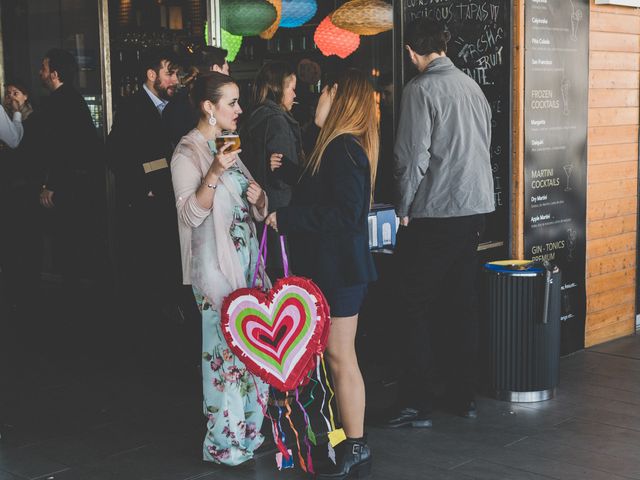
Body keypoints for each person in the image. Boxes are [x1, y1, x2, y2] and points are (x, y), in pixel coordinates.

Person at [265, 69, 378, 480]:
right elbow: (325, 193)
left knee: (340, 356)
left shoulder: (344, 149)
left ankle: (357, 443)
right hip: (332, 268)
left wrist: (288, 218)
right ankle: (348, 440)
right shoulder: (333, 146)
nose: (319, 98)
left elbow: (345, 214)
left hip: (341, 270)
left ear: (342, 100)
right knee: (333, 356)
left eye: (327, 92)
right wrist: (290, 173)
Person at [387, 18, 494, 427]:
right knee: (461, 303)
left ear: (412, 52)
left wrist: (402, 208)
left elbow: (410, 158)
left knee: (412, 304)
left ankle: (415, 403)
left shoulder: (421, 89)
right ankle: (462, 396)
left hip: (436, 211)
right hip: (475, 209)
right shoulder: (471, 86)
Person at [171, 72, 269, 465]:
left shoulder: (229, 146)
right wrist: (213, 172)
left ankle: (250, 431)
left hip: (247, 266)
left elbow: (253, 206)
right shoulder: (188, 153)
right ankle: (224, 444)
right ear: (208, 108)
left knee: (252, 349)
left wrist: (261, 197)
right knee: (222, 355)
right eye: (232, 102)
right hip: (213, 271)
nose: (240, 109)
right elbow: (190, 215)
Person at [106, 47, 183, 335]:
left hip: (169, 200)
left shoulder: (175, 106)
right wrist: (144, 187)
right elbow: (114, 155)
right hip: (143, 204)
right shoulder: (132, 107)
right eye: (169, 73)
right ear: (152, 75)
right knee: (144, 266)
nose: (175, 79)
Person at [36, 49, 102, 300]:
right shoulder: (75, 99)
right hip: (82, 183)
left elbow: (58, 149)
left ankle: (72, 300)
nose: (40, 73)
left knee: (67, 244)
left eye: (43, 68)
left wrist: (50, 184)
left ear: (54, 74)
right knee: (80, 241)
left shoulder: (56, 103)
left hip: (67, 185)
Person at [241, 61, 302, 279]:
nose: (295, 95)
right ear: (277, 88)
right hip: (278, 212)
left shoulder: (252, 116)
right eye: (291, 88)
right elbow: (281, 178)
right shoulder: (278, 121)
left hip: (256, 208)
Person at [0, 81, 39, 311]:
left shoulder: (33, 119)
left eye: (15, 93)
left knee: (24, 239)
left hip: (24, 187)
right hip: (9, 187)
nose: (10, 97)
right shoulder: (7, 119)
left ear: (26, 96)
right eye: (7, 93)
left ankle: (26, 291)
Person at [163, 46, 229, 147]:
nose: (228, 75)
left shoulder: (173, 105)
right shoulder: (218, 105)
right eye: (227, 70)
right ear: (216, 69)